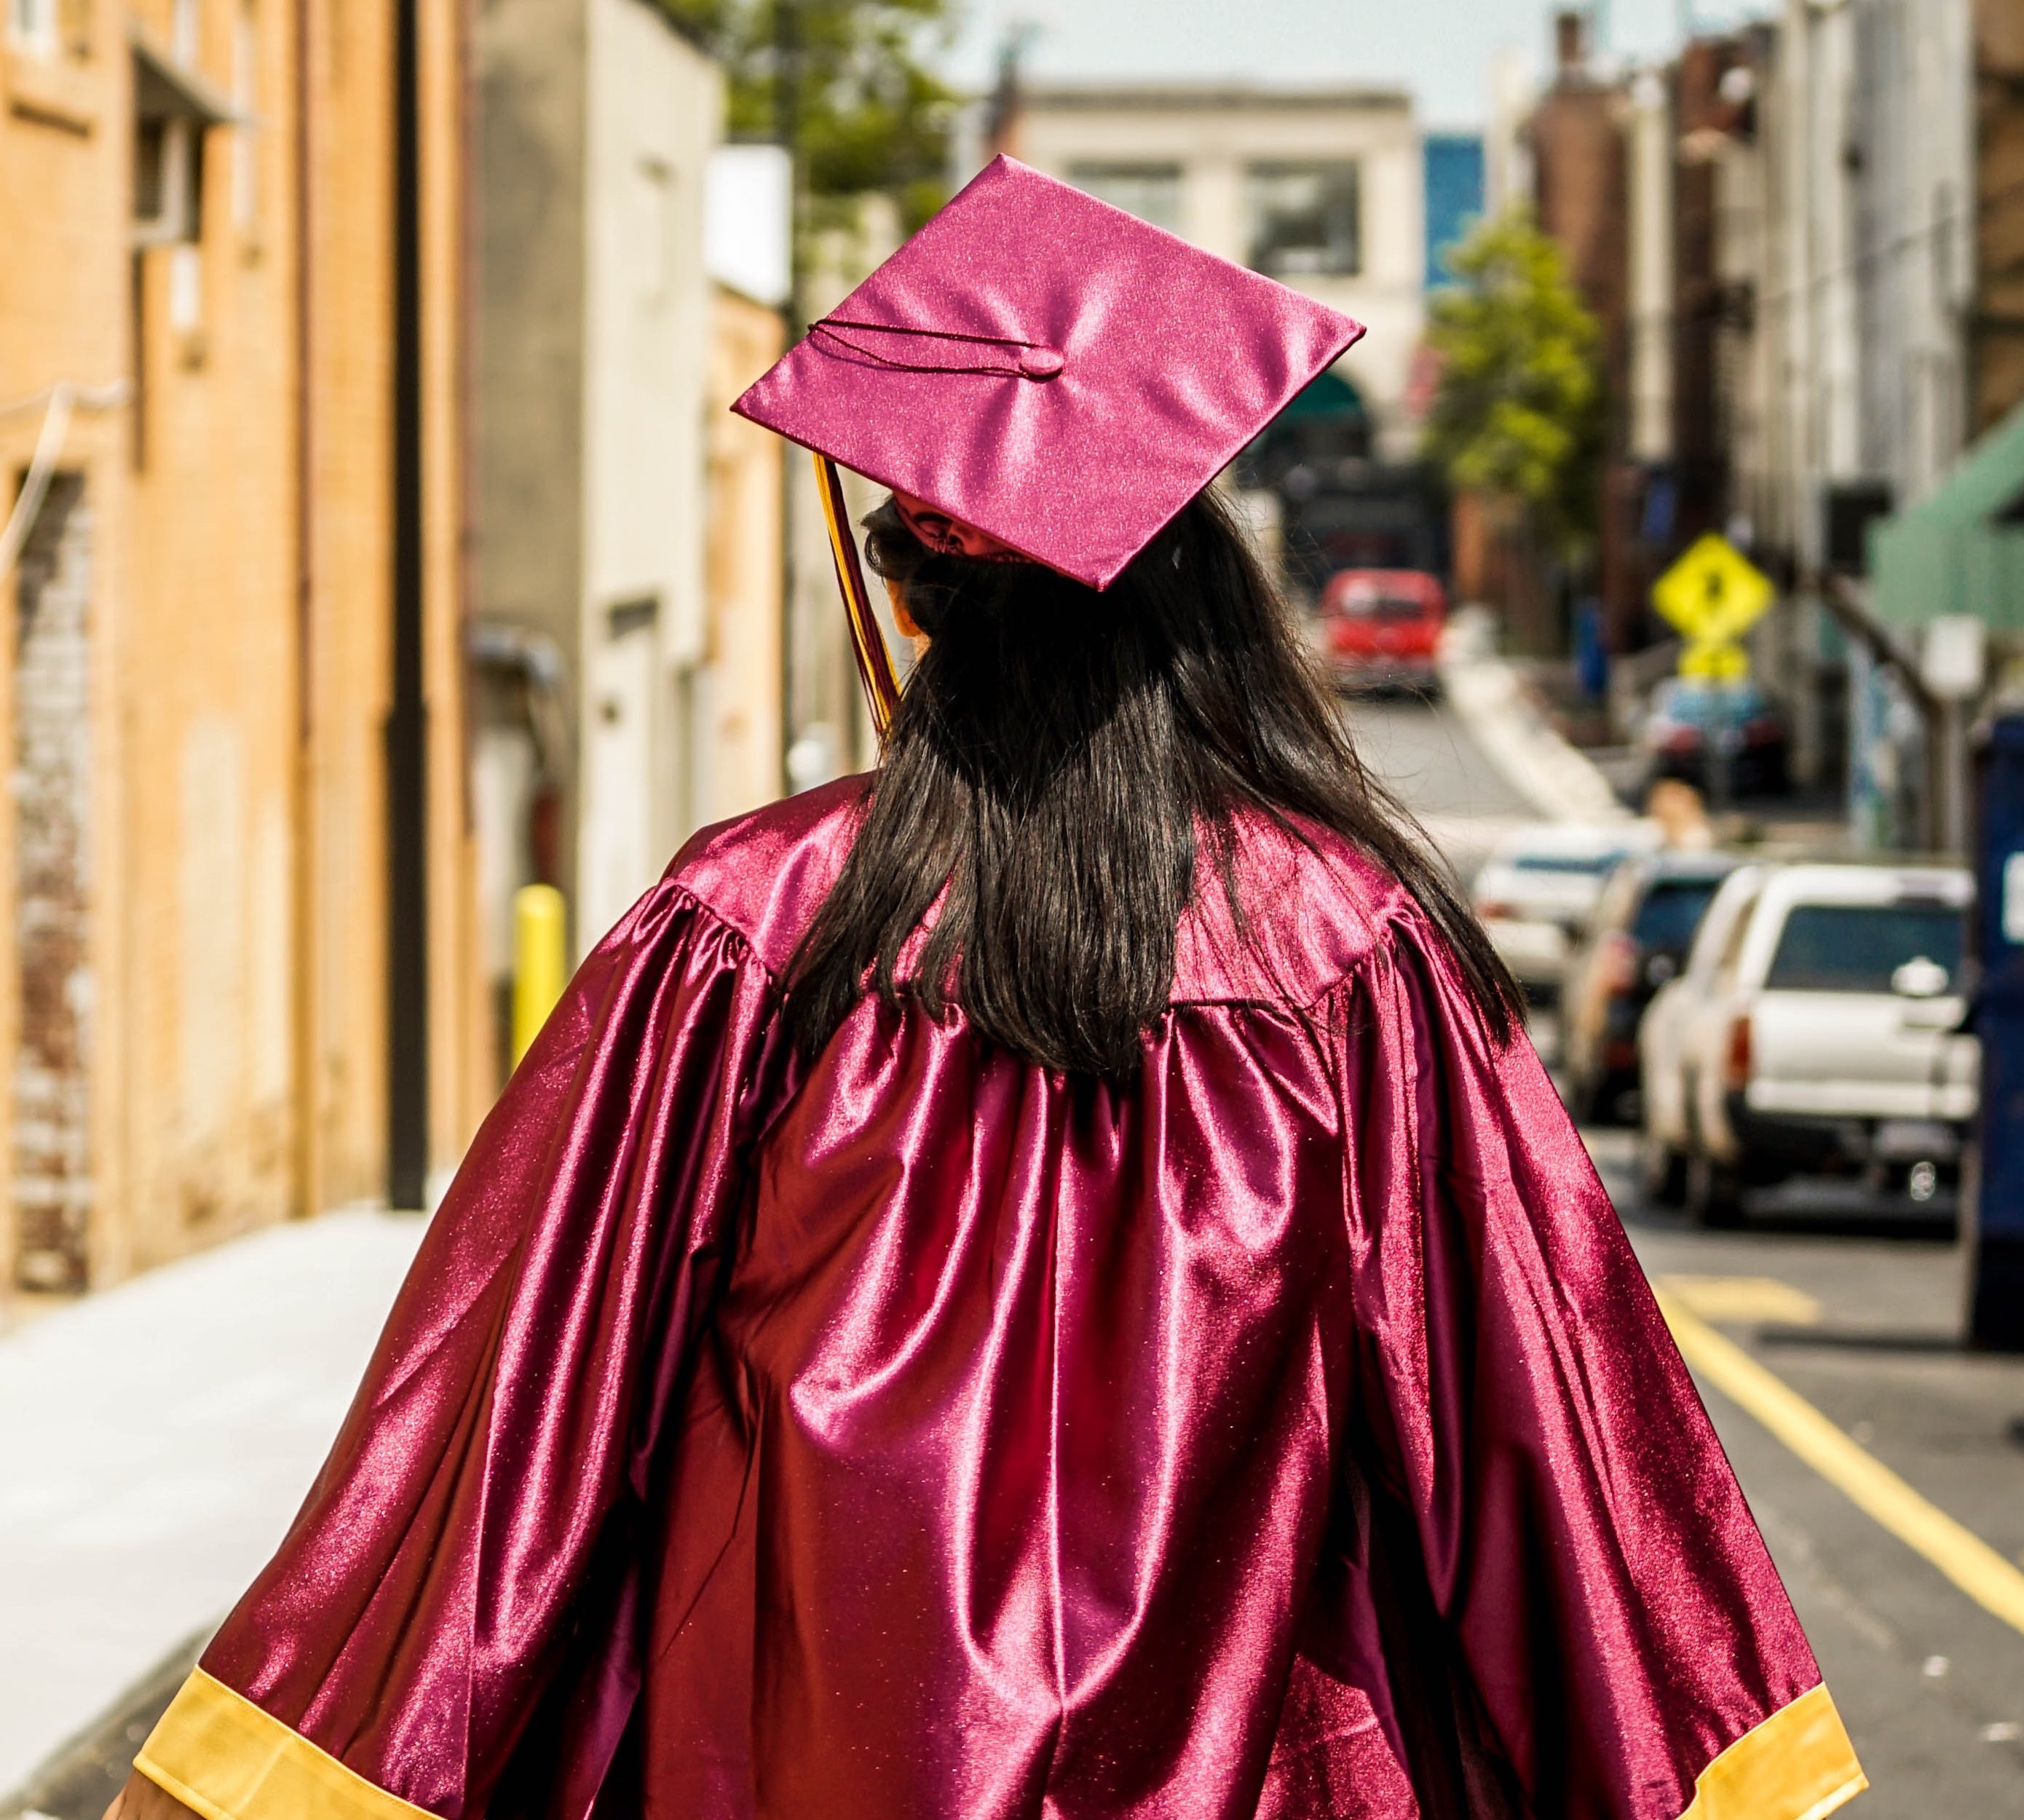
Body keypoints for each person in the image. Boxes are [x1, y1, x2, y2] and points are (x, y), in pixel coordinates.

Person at [105, 157, 1862, 1820]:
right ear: (1199, 598)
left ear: (919, 602)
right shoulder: (1352, 956)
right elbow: (1551, 1467)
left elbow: (500, 1457)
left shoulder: (747, 932)